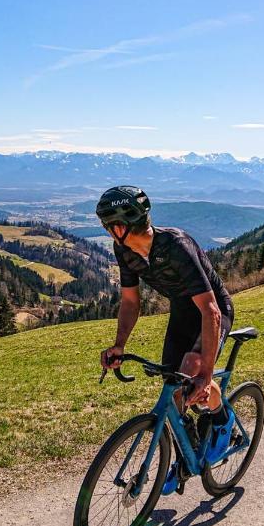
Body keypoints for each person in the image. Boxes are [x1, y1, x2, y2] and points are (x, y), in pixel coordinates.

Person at [96, 185, 235, 441]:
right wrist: (119, 345)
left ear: (119, 227)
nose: (107, 231)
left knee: (193, 369)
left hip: (214, 310)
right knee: (173, 386)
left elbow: (211, 310)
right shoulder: (124, 250)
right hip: (182, 312)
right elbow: (130, 301)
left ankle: (224, 422)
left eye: (106, 225)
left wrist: (205, 372)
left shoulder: (175, 246)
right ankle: (186, 448)